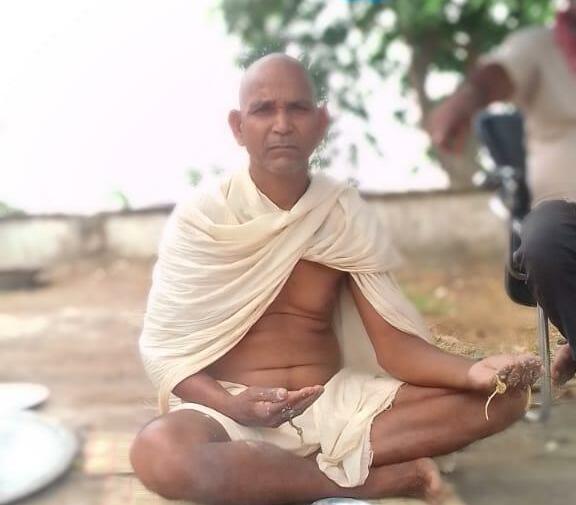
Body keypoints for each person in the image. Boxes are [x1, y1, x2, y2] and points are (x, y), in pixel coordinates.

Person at [130, 54, 542, 505]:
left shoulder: (341, 213)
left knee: (505, 399)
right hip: (232, 412)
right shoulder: (203, 218)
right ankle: (373, 481)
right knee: (158, 452)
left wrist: (474, 372)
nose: (282, 124)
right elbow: (168, 354)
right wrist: (230, 404)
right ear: (238, 126)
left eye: (297, 108)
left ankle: (269, 475)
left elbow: (395, 347)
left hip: (338, 408)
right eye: (264, 110)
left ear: (320, 122)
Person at [428, 1, 576, 386]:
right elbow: (496, 75)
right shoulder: (539, 47)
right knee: (543, 238)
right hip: (565, 209)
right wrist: (464, 102)